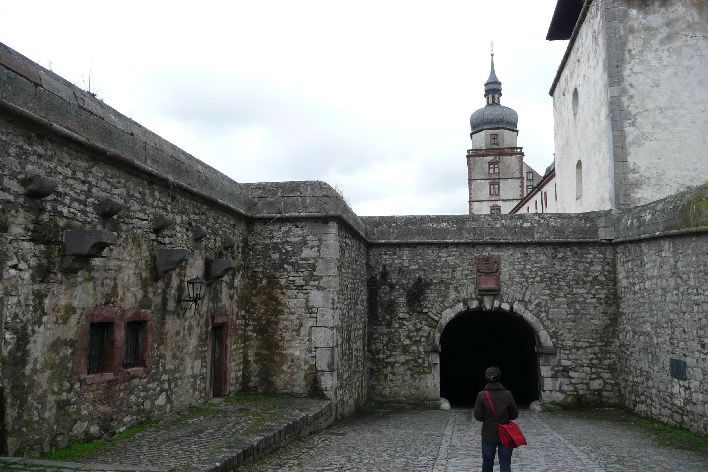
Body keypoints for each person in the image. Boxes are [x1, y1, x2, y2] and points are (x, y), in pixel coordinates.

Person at [474, 366, 519, 472]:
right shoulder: (507, 394)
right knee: (505, 463)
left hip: (488, 433)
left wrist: (488, 419)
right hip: (505, 432)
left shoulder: (482, 395)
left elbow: (478, 416)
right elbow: (514, 414)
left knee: (487, 462)